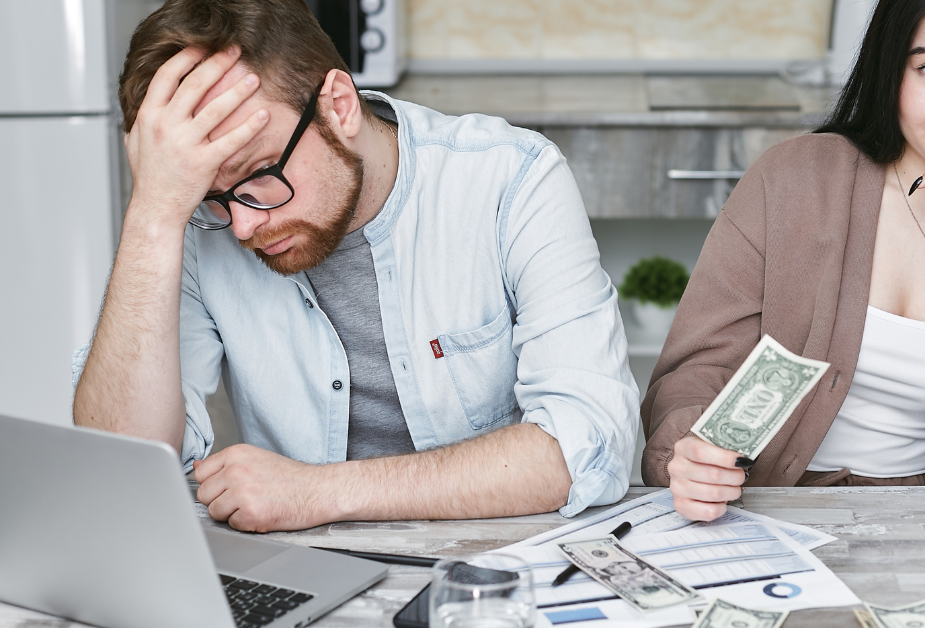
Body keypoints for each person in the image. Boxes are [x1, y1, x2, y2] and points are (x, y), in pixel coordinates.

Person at [72, 0, 639, 532]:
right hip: (306, 577)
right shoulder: (198, 225)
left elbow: (588, 441)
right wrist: (153, 212)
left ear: (338, 106)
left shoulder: (509, 179)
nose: (241, 227)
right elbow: (121, 468)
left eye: (259, 174)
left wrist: (318, 492)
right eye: (210, 196)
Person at [641, 0, 925, 521]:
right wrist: (690, 451)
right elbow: (696, 370)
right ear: (892, 72)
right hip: (764, 508)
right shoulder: (794, 178)